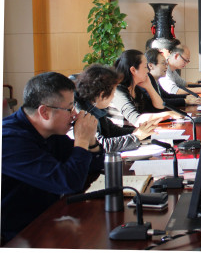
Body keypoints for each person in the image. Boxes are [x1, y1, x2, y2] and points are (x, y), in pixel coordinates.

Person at [2, 72, 104, 243]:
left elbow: (94, 166)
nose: (74, 115)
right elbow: (69, 182)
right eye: (69, 108)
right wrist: (82, 140)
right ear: (44, 112)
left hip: (50, 217)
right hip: (20, 234)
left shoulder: (50, 131)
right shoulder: (9, 140)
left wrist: (91, 140)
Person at [74, 64, 160, 152]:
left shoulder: (95, 108)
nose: (113, 96)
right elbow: (101, 145)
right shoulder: (82, 115)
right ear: (102, 95)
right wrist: (136, 136)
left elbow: (113, 131)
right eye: (113, 92)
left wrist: (141, 131)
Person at [109, 49, 178, 127]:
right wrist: (169, 114)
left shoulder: (136, 90)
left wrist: (149, 87)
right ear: (133, 70)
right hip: (128, 134)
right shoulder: (118, 91)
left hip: (138, 133)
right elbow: (137, 120)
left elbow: (159, 108)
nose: (148, 71)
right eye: (145, 67)